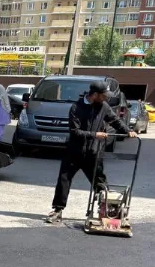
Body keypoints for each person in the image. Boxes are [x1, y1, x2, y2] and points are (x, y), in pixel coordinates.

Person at [45, 81, 136, 224]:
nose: (107, 97)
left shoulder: (104, 107)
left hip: (93, 152)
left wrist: (128, 131)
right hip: (74, 152)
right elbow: (75, 132)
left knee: (100, 182)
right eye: (105, 95)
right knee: (64, 180)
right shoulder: (76, 107)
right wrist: (95, 135)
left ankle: (106, 210)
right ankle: (57, 210)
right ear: (95, 95)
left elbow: (115, 120)